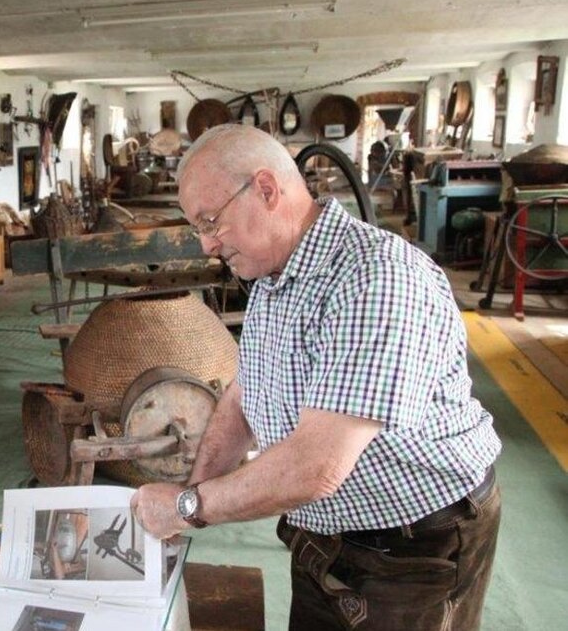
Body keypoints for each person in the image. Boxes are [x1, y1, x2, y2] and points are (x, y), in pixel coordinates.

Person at [130, 125, 502, 630]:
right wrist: (194, 491)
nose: (207, 244)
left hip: (414, 542)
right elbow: (244, 394)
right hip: (325, 530)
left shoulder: (376, 277)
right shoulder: (270, 274)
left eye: (211, 221)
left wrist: (190, 506)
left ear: (265, 189)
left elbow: (317, 466)